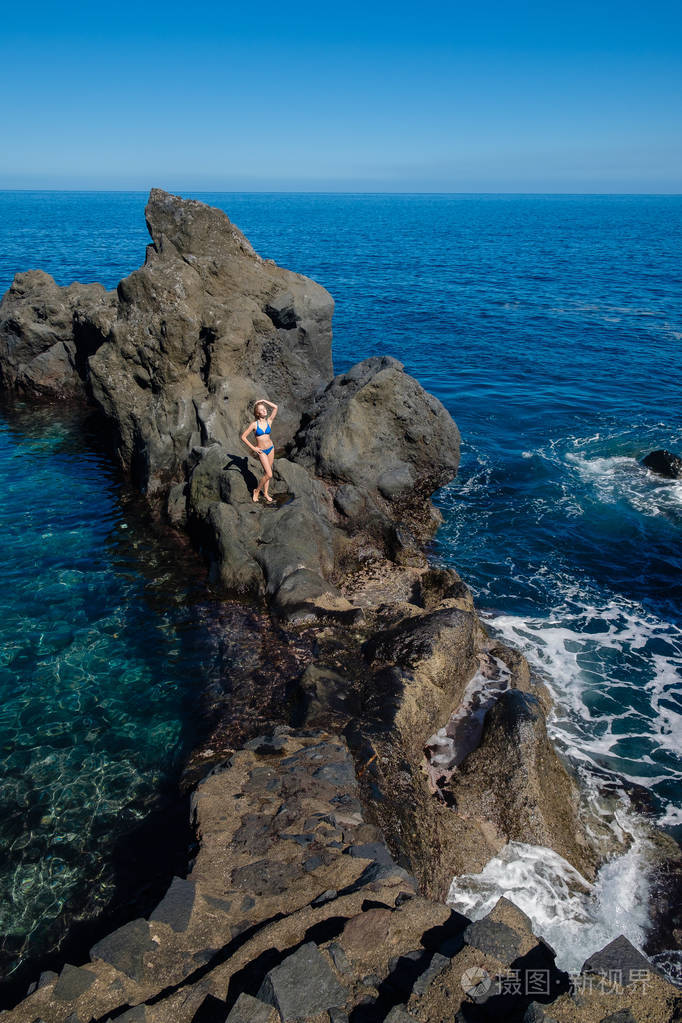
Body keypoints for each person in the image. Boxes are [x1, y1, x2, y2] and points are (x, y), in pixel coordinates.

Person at [241, 398, 278, 503]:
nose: (265, 410)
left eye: (265, 409)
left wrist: (264, 401)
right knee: (269, 474)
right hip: (261, 451)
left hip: (271, 449)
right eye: (261, 410)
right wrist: (254, 448)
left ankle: (266, 493)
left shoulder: (269, 421)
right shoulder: (254, 424)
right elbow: (243, 437)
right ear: (257, 413)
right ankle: (257, 491)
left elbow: (275, 407)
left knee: (268, 472)